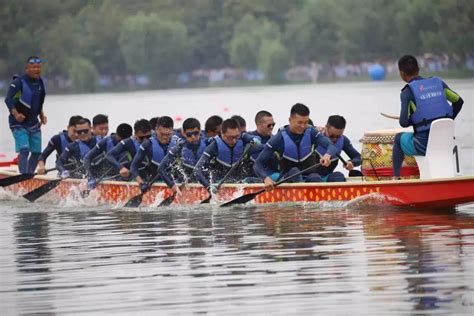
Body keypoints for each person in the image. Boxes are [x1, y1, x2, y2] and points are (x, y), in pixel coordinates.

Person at [392, 55, 464, 179]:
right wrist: (448, 119)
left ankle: (396, 178)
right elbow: (459, 101)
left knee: (398, 139)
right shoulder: (439, 84)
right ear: (418, 68)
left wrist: (413, 119)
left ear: (402, 73)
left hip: (424, 144)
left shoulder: (407, 93)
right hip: (446, 141)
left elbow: (403, 122)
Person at [254, 103, 337, 190]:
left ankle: (316, 200)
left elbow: (331, 146)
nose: (303, 126)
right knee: (295, 171)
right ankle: (301, 200)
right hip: (286, 179)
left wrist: (328, 155)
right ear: (290, 120)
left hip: (309, 177)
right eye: (299, 122)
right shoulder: (279, 138)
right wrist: (265, 178)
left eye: (306, 122)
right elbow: (258, 163)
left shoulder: (312, 132)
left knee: (316, 177)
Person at [4, 56, 47, 174]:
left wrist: (41, 114)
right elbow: (8, 99)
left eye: (38, 67)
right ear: (27, 68)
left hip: (33, 123)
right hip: (18, 123)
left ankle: (29, 175)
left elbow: (40, 100)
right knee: (24, 149)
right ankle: (23, 175)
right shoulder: (18, 82)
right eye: (33, 67)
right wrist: (16, 114)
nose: (36, 70)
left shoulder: (40, 82)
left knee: (37, 152)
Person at [194, 118, 263, 192]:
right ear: (222, 134)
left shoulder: (242, 137)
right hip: (218, 185)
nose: (234, 140)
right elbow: (197, 170)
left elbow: (256, 138)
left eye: (236, 136)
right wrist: (208, 187)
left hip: (240, 183)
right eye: (230, 137)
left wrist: (257, 139)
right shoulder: (214, 146)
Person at [158, 118, 209, 194]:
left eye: (196, 133)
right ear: (184, 133)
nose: (193, 137)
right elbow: (160, 168)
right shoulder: (179, 148)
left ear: (200, 131)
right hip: (184, 183)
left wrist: (209, 187)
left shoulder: (208, 144)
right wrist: (172, 185)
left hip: (206, 182)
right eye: (189, 134)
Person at [131, 116, 176, 193]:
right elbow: (133, 166)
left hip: (174, 181)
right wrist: (141, 183)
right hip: (154, 181)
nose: (165, 137)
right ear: (156, 130)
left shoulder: (178, 143)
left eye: (168, 134)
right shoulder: (147, 144)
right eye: (162, 134)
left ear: (172, 131)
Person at [83, 123, 133, 189]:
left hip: (124, 177)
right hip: (105, 177)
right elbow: (87, 158)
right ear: (117, 135)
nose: (122, 144)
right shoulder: (106, 142)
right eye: (120, 140)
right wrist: (90, 177)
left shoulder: (132, 143)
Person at [314, 115, 362, 182]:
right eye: (332, 136)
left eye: (338, 136)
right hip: (310, 177)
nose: (335, 139)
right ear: (326, 127)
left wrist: (352, 162)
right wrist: (313, 127)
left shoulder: (343, 140)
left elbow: (358, 157)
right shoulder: (314, 135)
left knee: (339, 176)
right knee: (315, 178)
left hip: (327, 177)